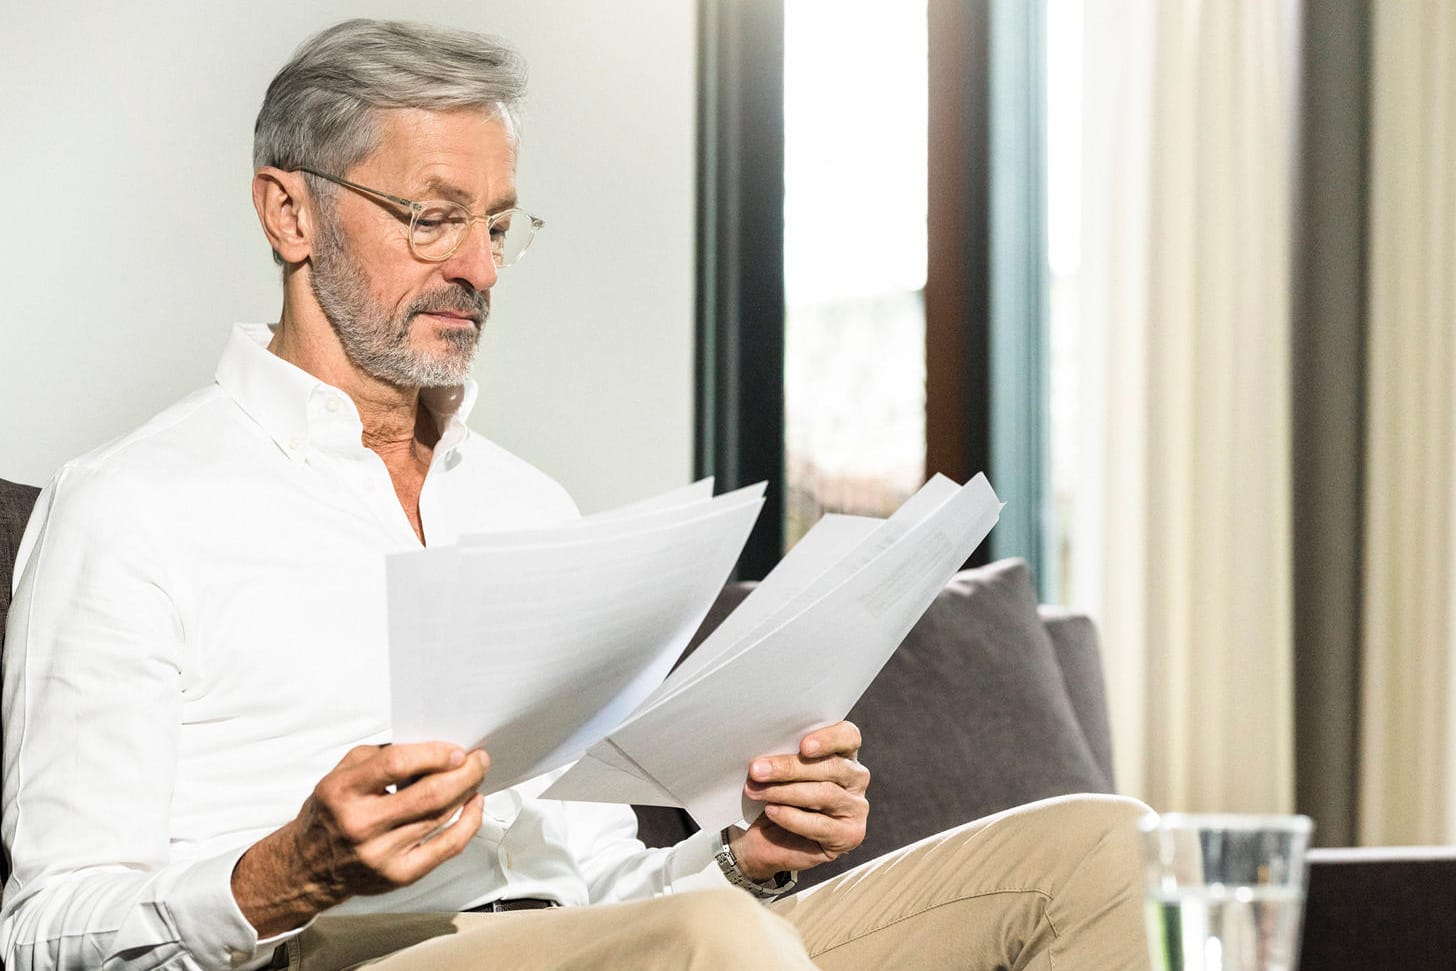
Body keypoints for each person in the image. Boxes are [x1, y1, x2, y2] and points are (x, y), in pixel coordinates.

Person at [1, 18, 1148, 971]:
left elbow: (609, 884)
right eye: (432, 217)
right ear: (290, 213)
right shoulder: (134, 506)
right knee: (713, 942)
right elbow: (43, 929)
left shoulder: (526, 507)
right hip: (335, 953)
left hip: (600, 943)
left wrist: (748, 851)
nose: (480, 268)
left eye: (498, 226)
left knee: (1102, 849)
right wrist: (282, 870)